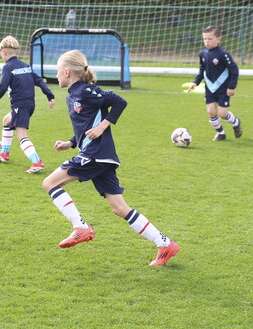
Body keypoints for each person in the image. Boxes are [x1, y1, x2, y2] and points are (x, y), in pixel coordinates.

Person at [42, 50, 179, 265]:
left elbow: (119, 101)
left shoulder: (86, 91)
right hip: (100, 157)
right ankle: (165, 244)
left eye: (57, 70)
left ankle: (80, 227)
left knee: (49, 183)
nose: (56, 75)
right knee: (120, 208)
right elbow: (86, 126)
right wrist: (70, 143)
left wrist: (103, 126)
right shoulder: (73, 95)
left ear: (67, 72)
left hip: (96, 155)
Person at [0, 35, 55, 173]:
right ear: (17, 52)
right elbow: (39, 81)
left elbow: (2, 86)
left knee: (21, 136)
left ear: (3, 52)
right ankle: (5, 154)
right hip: (29, 105)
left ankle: (37, 162)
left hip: (20, 106)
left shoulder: (7, 67)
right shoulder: (26, 66)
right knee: (6, 121)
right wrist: (50, 96)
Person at [187, 26, 243, 141]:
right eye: (205, 39)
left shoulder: (223, 54)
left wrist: (231, 87)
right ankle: (221, 133)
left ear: (219, 39)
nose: (207, 41)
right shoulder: (202, 53)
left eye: (210, 39)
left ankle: (236, 122)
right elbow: (202, 70)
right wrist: (195, 82)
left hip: (223, 89)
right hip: (210, 88)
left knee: (222, 114)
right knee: (211, 112)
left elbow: (234, 70)